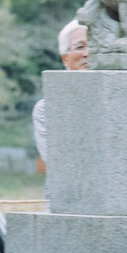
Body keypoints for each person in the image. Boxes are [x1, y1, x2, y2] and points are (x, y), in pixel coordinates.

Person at [32, 19, 88, 167]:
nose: (87, 53)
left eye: (94, 46)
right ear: (65, 59)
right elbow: (54, 159)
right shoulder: (46, 108)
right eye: (80, 47)